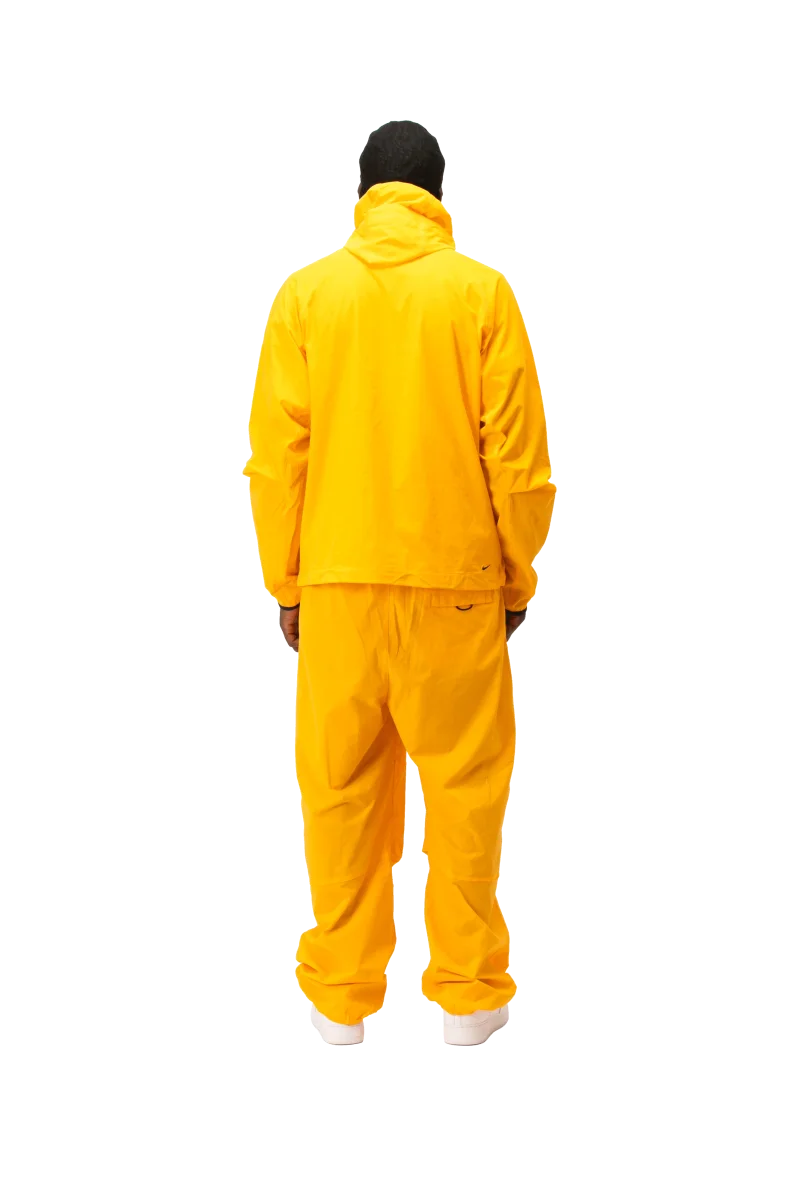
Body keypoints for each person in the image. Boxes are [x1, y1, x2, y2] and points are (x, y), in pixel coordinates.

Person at [244, 121, 556, 1047]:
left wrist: (287, 583)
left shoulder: (306, 297)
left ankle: (338, 1013)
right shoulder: (479, 294)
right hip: (457, 590)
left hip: (338, 591)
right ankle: (468, 1010)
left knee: (338, 800)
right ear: (438, 194)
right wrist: (514, 578)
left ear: (362, 192)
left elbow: (277, 462)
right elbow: (519, 462)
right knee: (464, 801)